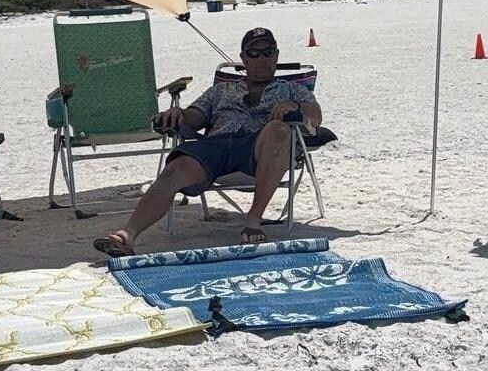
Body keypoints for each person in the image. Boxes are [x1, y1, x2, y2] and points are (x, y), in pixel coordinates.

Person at [93, 27, 319, 256]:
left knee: (278, 129)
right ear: (243, 58)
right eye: (254, 53)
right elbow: (196, 117)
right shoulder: (221, 90)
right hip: (216, 145)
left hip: (259, 149)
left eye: (268, 52)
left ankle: (253, 221)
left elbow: (316, 116)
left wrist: (296, 106)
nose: (262, 58)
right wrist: (179, 114)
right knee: (177, 168)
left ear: (276, 55)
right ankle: (126, 236)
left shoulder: (292, 90)